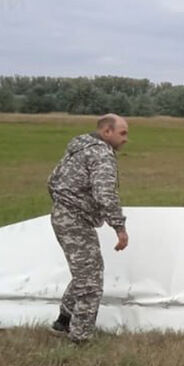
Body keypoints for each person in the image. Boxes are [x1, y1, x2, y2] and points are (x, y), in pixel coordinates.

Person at [47, 113, 130, 344]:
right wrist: (119, 227)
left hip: (63, 215)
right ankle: (80, 339)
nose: (126, 139)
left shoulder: (78, 148)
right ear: (107, 132)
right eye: (122, 133)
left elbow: (52, 180)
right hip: (74, 220)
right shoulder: (101, 153)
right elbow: (105, 194)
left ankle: (63, 321)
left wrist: (63, 203)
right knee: (91, 281)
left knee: (86, 271)